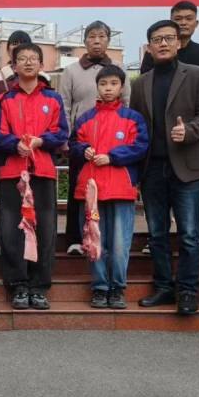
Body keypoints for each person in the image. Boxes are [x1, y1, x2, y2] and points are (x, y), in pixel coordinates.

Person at [129, 20, 199, 315]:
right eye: (157, 40)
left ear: (178, 42)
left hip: (187, 168)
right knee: (157, 234)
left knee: (190, 234)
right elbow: (136, 126)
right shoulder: (140, 84)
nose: (163, 43)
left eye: (168, 38)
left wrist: (188, 130)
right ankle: (164, 287)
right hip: (152, 169)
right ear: (149, 47)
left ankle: (188, 291)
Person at [0, 43, 69, 310]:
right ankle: (17, 285)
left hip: (43, 171)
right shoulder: (4, 100)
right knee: (12, 230)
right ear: (13, 66)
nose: (28, 62)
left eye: (33, 58)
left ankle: (39, 287)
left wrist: (41, 141)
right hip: (13, 173)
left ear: (41, 65)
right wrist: (15, 144)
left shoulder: (53, 99)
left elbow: (62, 133)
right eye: (22, 59)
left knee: (45, 230)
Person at [71, 65, 148, 309]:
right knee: (95, 239)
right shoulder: (86, 118)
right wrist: (84, 150)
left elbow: (140, 146)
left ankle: (117, 288)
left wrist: (113, 157)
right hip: (92, 189)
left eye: (113, 84)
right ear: (97, 87)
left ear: (122, 87)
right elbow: (74, 144)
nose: (108, 88)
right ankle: (99, 287)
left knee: (119, 243)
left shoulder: (133, 118)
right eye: (103, 84)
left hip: (121, 187)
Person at [58, 20, 131, 256]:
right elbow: (64, 106)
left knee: (109, 192)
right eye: (92, 37)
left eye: (101, 36)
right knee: (77, 190)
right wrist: (67, 141)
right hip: (81, 142)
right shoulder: (71, 71)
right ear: (84, 41)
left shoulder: (119, 69)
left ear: (108, 40)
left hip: (112, 144)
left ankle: (105, 239)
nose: (97, 41)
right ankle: (75, 238)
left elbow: (127, 104)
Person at [0, 30, 44, 257]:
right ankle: (2, 239)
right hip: (7, 147)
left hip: (36, 149)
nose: (16, 46)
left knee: (33, 196)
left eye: (22, 43)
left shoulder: (42, 78)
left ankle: (31, 240)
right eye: (13, 43)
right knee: (7, 197)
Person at [139, 0, 199, 74]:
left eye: (189, 19)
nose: (183, 23)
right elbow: (145, 81)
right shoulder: (156, 52)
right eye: (178, 19)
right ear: (171, 23)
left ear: (196, 24)